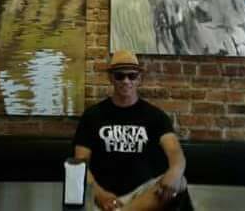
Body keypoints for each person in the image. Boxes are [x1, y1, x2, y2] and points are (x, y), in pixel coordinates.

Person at [74, 50, 187, 211]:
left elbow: (175, 153)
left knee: (180, 181)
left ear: (139, 79)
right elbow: (80, 163)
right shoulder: (92, 116)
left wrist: (175, 172)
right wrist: (99, 193)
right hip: (103, 197)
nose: (126, 81)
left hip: (143, 197)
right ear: (111, 78)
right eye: (120, 76)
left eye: (132, 76)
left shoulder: (155, 116)